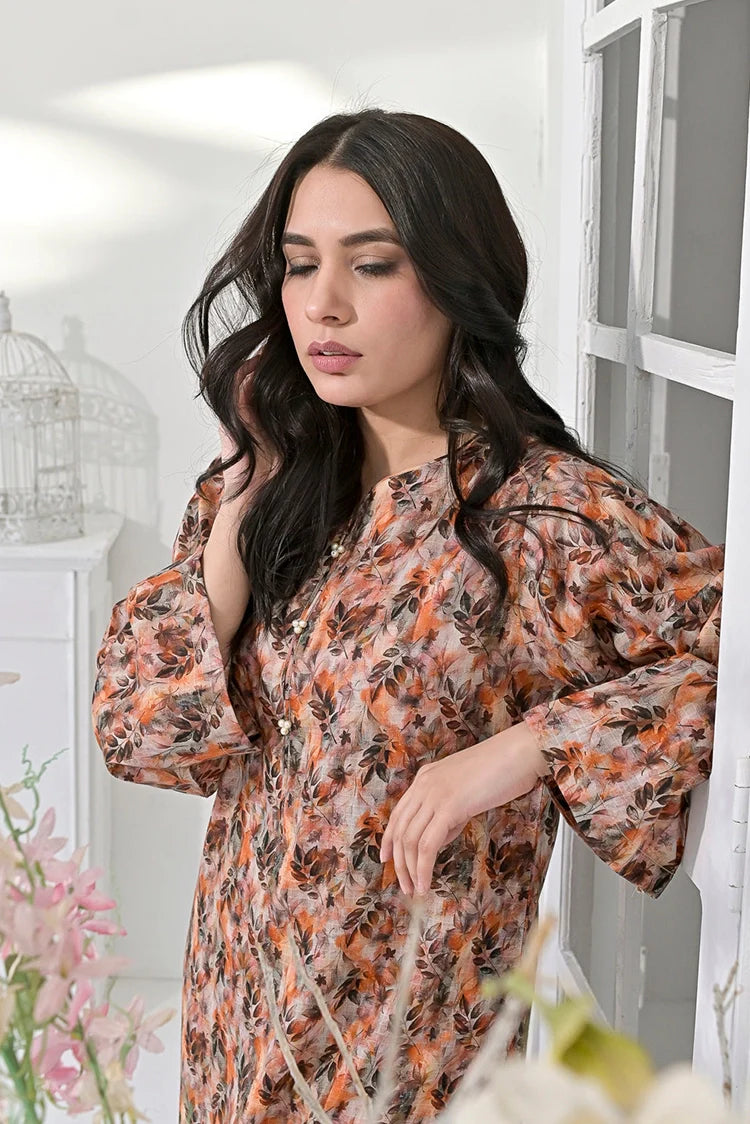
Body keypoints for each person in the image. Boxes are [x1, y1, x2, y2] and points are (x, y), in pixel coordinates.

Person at [91, 107, 724, 1123]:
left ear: (456, 278)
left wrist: (527, 747)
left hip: (410, 1050)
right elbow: (140, 729)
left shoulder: (541, 515)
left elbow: (726, 659)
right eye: (300, 265)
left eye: (373, 264)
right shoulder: (271, 486)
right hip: (238, 1018)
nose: (323, 305)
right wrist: (238, 517)